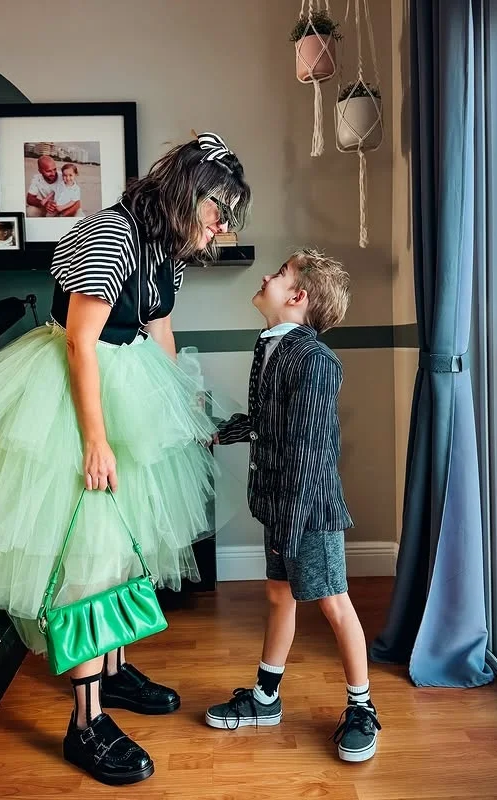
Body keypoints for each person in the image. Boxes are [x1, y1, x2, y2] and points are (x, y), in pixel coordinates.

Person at [0, 131, 251, 785]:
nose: (220, 230)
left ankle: (114, 666)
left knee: (125, 547)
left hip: (132, 385)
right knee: (88, 559)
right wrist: (95, 440)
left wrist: (181, 410)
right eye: (219, 213)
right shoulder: (110, 235)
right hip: (80, 393)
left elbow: (158, 327)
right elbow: (81, 342)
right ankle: (86, 726)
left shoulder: (167, 246)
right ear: (191, 195)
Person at [204, 249, 381, 763]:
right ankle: (266, 698)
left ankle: (362, 706)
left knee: (333, 603)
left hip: (308, 514)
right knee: (279, 596)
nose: (267, 277)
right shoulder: (274, 346)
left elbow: (308, 452)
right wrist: (222, 431)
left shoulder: (314, 360)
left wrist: (290, 525)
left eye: (279, 275)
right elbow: (270, 424)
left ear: (298, 298)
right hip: (282, 508)